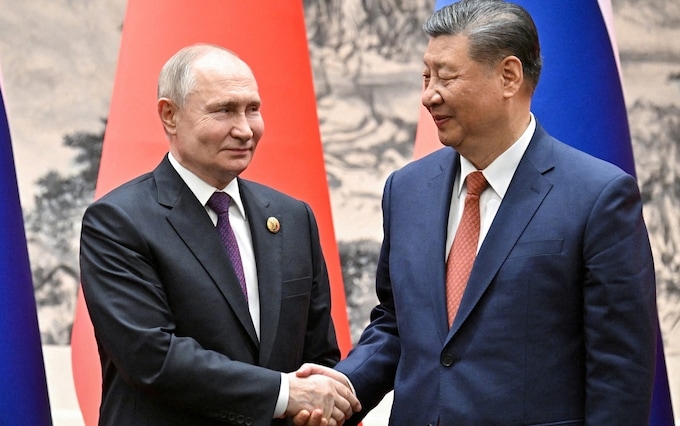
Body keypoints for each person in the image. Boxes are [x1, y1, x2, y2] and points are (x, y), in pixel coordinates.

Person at [297, 0, 658, 424]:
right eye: (425, 76)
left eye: (445, 76)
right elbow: (399, 323)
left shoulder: (598, 196)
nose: (429, 95)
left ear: (508, 76)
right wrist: (344, 388)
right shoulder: (407, 189)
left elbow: (620, 370)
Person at [79, 43, 360, 426]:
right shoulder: (118, 221)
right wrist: (282, 393)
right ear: (170, 115)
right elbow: (152, 356)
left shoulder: (293, 218)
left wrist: (317, 405)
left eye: (253, 109)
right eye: (224, 110)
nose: (244, 129)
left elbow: (319, 355)